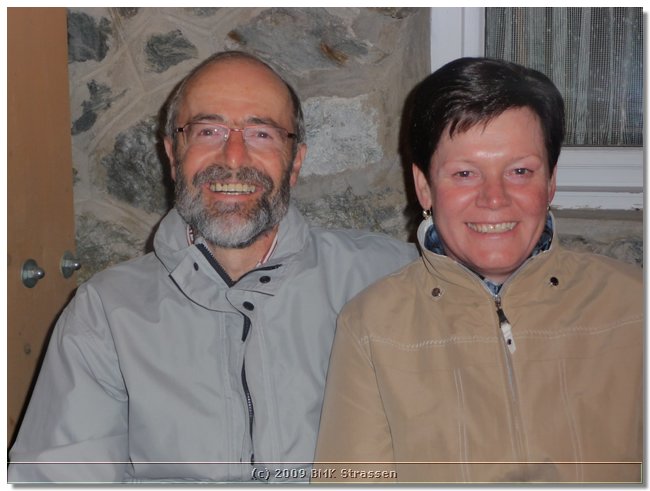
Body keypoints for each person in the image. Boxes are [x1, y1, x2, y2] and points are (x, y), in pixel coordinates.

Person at [8, 50, 418, 483]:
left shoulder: (388, 281)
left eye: (261, 133)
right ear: (173, 155)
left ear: (295, 161)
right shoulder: (105, 315)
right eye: (208, 130)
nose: (234, 157)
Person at [313, 57, 643, 483]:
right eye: (465, 173)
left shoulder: (635, 308)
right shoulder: (371, 327)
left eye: (520, 171)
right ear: (424, 187)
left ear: (551, 181)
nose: (494, 198)